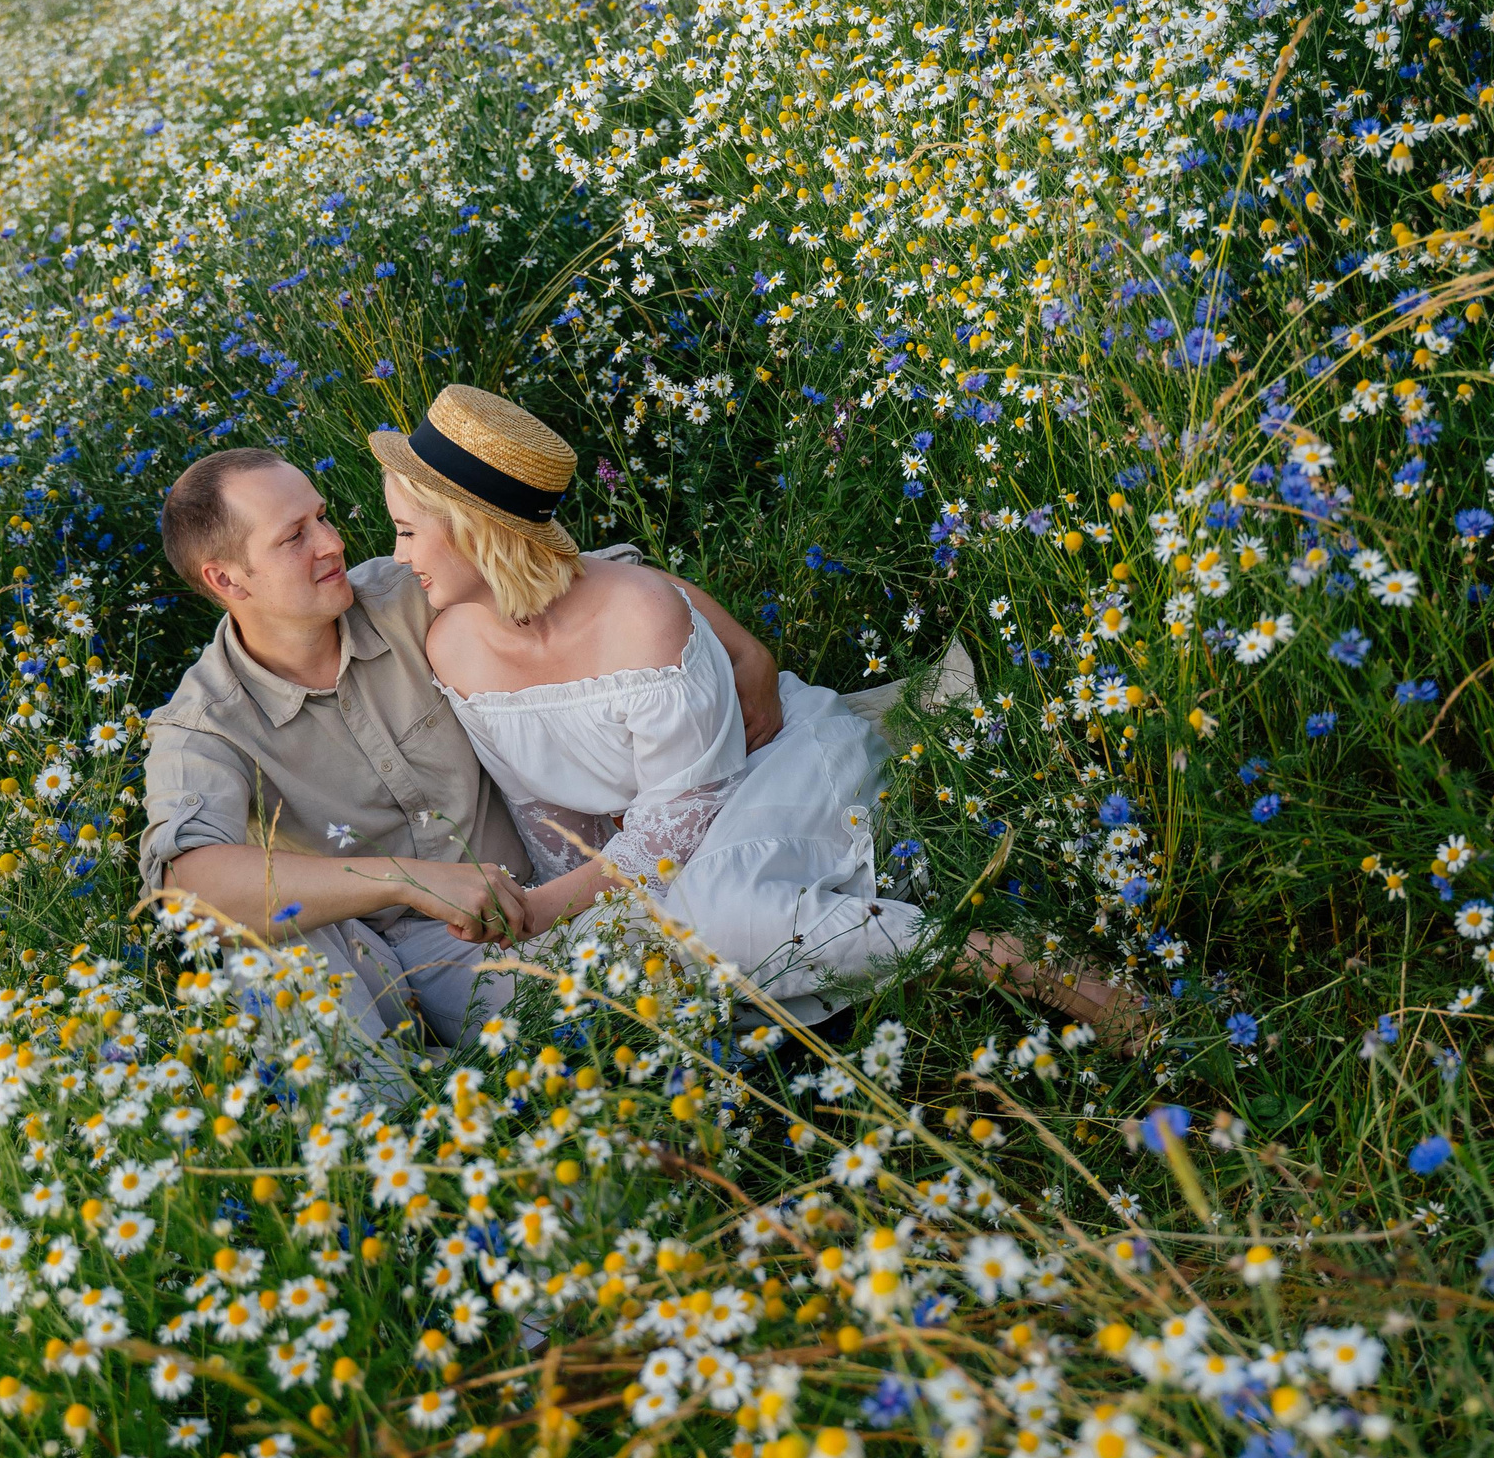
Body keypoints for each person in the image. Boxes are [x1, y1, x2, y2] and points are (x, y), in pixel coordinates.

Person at [372, 383, 1129, 1030]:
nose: (399, 557)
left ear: (476, 532)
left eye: (409, 531)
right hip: (652, 848)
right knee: (619, 975)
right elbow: (545, 816)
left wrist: (542, 909)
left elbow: (680, 814)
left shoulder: (639, 617)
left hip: (763, 768)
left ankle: (1012, 960)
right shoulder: (453, 647)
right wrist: (565, 912)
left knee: (723, 913)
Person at [139, 443, 782, 1054]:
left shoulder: (405, 596)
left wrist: (742, 647)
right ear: (226, 578)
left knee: (691, 976)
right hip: (387, 960)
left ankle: (469, 1089)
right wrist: (410, 882)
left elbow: (584, 579)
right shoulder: (205, 723)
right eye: (293, 537)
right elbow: (186, 890)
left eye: (322, 517)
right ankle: (380, 1130)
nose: (332, 543)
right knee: (268, 943)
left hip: (539, 909)